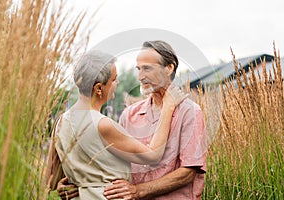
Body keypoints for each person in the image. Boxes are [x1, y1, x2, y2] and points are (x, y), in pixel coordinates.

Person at [55, 40, 207, 199]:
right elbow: (109, 163)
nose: (140, 77)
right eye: (138, 69)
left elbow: (188, 173)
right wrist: (76, 184)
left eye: (147, 68)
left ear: (169, 68)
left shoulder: (189, 112)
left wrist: (139, 190)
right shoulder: (129, 114)